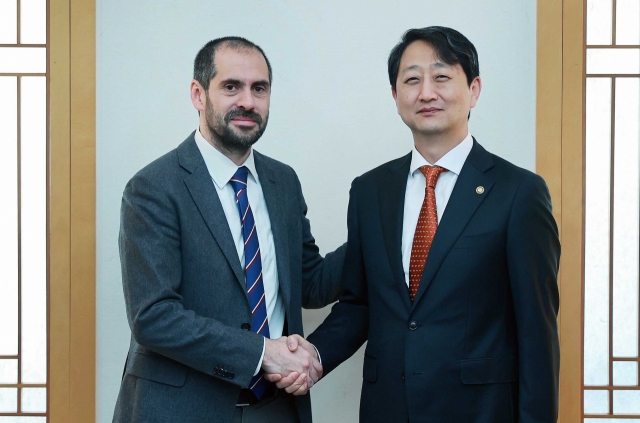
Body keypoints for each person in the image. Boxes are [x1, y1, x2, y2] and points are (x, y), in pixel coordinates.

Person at [270, 26, 560, 423]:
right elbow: (359, 305)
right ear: (395, 96)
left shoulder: (518, 192)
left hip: (481, 412)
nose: (426, 92)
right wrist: (313, 358)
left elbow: (537, 332)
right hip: (387, 408)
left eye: (442, 77)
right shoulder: (371, 190)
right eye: (411, 80)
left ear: (474, 89)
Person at [112, 36, 345, 423]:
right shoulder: (153, 187)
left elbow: (310, 283)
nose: (248, 102)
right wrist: (261, 352)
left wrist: (380, 227)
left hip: (275, 410)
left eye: (259, 88)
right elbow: (153, 316)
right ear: (198, 94)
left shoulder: (282, 182)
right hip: (181, 411)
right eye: (231, 87)